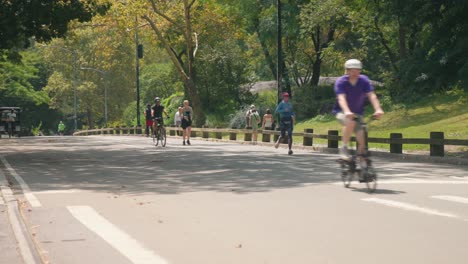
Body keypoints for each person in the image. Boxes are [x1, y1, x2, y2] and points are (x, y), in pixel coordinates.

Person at [332, 59, 384, 161]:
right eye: (352, 70)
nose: (355, 73)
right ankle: (344, 148)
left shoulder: (364, 80)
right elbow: (341, 98)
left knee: (362, 137)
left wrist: (378, 109)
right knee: (350, 122)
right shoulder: (341, 82)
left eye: (357, 70)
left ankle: (362, 165)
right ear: (347, 70)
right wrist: (347, 111)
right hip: (341, 112)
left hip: (358, 113)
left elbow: (372, 96)